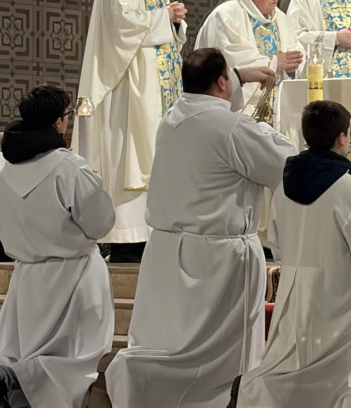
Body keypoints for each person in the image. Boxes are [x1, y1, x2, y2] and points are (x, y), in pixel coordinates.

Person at [105, 49, 296, 407]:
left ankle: (144, 387)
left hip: (166, 251)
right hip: (218, 259)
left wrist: (241, 82)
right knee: (221, 359)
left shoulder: (171, 119)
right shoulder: (233, 127)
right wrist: (273, 131)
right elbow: (286, 166)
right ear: (221, 82)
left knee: (172, 340)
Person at [233, 100, 351, 408]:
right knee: (345, 375)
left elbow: (276, 241)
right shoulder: (348, 188)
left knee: (295, 361)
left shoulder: (284, 186)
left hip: (296, 293)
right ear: (342, 137)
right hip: (340, 294)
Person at [0, 86, 115, 408]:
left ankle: (6, 376)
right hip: (75, 278)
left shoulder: (7, 173)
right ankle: (14, 378)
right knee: (74, 359)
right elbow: (101, 223)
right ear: (58, 122)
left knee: (23, 348)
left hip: (27, 279)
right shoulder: (70, 168)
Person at [76, 0, 187, 263]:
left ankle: (154, 232)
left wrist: (175, 22)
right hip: (130, 86)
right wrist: (164, 17)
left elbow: (165, 35)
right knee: (131, 154)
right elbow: (121, 26)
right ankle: (128, 238)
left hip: (157, 86)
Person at [196, 0, 304, 114]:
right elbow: (233, 61)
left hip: (277, 106)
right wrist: (274, 63)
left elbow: (296, 50)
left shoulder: (281, 18)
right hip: (240, 110)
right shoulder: (226, 15)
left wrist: (292, 66)